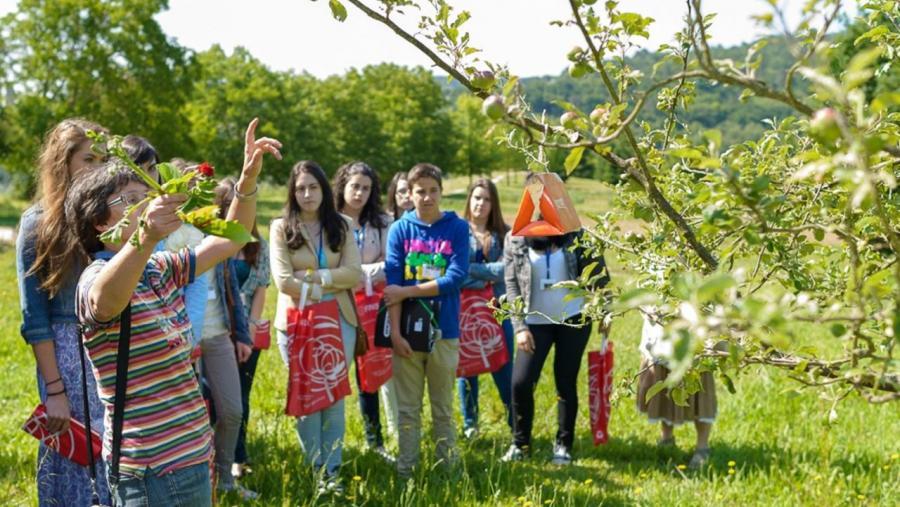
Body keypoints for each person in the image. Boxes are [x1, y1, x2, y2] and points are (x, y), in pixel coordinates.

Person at [68, 118, 280, 506]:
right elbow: (105, 301)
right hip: (149, 472)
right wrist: (146, 237)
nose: (147, 205)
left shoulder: (159, 268)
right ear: (100, 222)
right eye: (131, 201)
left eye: (145, 196)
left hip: (194, 456)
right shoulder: (94, 279)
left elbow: (230, 240)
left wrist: (247, 180)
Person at [16, 118, 111, 506]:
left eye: (103, 160)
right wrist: (55, 391)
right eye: (89, 159)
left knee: (115, 458)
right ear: (63, 163)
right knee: (77, 456)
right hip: (68, 362)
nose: (97, 169)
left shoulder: (105, 220)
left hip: (110, 351)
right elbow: (35, 321)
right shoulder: (38, 224)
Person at [270, 160, 363, 493]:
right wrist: (329, 284)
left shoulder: (344, 225)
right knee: (309, 397)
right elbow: (282, 282)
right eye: (300, 188)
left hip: (340, 321)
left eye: (313, 187)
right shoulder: (281, 228)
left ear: (324, 189)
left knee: (334, 396)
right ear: (293, 193)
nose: (307, 194)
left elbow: (355, 273)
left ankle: (333, 472)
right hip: (297, 322)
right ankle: (314, 472)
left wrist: (312, 279)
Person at [382, 163, 469, 478]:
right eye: (420, 191)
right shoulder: (400, 230)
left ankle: (448, 470)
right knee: (407, 409)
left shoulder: (457, 228)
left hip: (444, 330)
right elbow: (392, 285)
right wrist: (395, 334)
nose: (427, 197)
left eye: (433, 191)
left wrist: (407, 292)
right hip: (406, 334)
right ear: (409, 193)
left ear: (441, 192)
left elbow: (456, 277)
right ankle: (407, 470)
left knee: (443, 407)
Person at [501, 227, 609, 465]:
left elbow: (600, 275)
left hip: (573, 319)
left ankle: (563, 445)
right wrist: (519, 327)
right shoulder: (516, 236)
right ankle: (520, 444)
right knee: (520, 382)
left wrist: (606, 311)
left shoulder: (577, 234)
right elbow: (511, 284)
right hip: (534, 323)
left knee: (565, 382)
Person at [332, 161, 399, 461]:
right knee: (335, 374)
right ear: (342, 186)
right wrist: (358, 274)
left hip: (372, 310)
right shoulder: (329, 222)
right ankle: (333, 443)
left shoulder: (382, 222)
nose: (359, 193)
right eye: (354, 186)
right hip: (337, 308)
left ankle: (375, 441)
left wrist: (358, 273)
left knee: (369, 375)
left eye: (366, 188)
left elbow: (390, 264)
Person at [197, 194, 257, 499]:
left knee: (232, 411)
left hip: (219, 334)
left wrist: (242, 336)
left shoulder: (216, 236)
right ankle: (200, 484)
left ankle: (225, 479)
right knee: (194, 419)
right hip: (184, 340)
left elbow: (232, 288)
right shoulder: (168, 238)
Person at [214, 178, 271, 480]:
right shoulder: (212, 244)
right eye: (226, 207)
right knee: (217, 398)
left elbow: (261, 287)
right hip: (217, 332)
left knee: (241, 397)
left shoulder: (256, 246)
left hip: (247, 330)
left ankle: (239, 455)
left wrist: (247, 329)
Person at [458, 178, 513, 439]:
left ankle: (516, 424)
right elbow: (455, 273)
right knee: (467, 368)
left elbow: (508, 270)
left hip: (499, 310)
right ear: (469, 199)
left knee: (504, 366)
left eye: (487, 199)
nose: (480, 203)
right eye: (477, 197)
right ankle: (470, 425)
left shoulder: (505, 233)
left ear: (494, 204)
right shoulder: (457, 231)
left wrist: (471, 271)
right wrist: (488, 275)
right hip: (464, 312)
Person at [637, 313, 716, 469]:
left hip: (695, 321)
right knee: (662, 380)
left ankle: (702, 447)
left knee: (699, 380)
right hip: (662, 325)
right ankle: (666, 438)